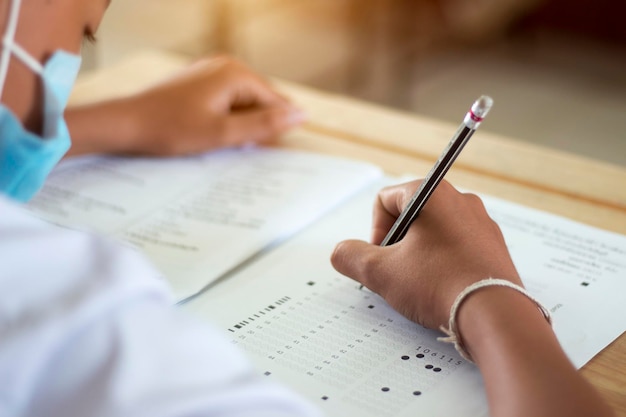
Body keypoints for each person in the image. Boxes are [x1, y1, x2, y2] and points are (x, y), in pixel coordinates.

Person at [0, 1, 614, 417]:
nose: (70, 73)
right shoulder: (60, 302)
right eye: (86, 28)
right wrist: (489, 295)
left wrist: (120, 120)